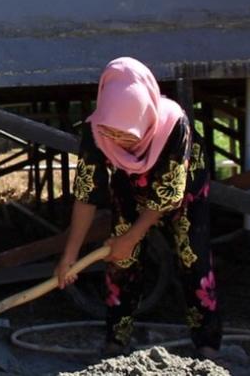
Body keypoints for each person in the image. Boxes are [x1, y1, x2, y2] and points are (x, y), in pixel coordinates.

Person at [55, 57, 221, 358]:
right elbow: (86, 193)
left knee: (192, 256)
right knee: (121, 261)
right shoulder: (98, 131)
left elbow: (169, 193)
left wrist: (132, 236)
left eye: (127, 133)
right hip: (129, 184)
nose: (120, 140)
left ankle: (207, 343)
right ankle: (117, 339)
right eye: (113, 132)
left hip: (182, 186)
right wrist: (69, 255)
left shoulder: (174, 124)